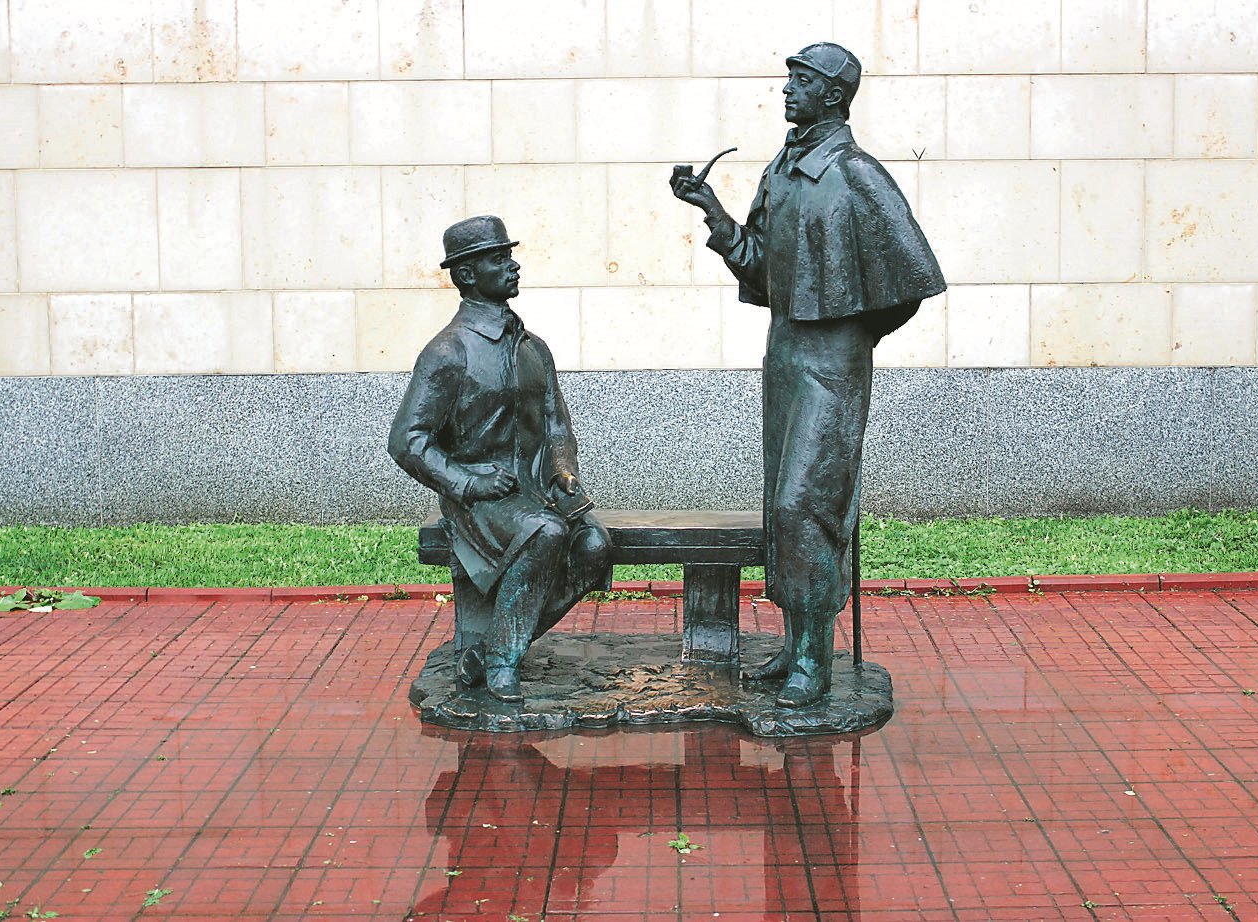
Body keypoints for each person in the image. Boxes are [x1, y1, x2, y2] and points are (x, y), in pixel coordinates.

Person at [671, 42, 945, 707]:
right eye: (788, 79)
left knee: (807, 506)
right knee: (783, 509)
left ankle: (814, 662)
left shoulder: (856, 173)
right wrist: (711, 210)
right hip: (785, 353)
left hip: (832, 364)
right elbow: (761, 267)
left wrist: (854, 334)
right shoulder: (783, 169)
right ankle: (798, 647)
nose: (787, 90)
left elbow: (911, 277)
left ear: (833, 94)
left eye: (800, 80)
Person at [388, 215, 612, 704]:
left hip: (536, 490)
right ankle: (503, 663)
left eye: (509, 256)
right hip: (480, 497)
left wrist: (564, 470)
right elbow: (407, 440)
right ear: (467, 274)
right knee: (545, 532)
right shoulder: (448, 351)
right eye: (499, 259)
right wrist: (468, 483)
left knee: (595, 545)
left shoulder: (534, 348)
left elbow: (556, 423)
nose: (513, 267)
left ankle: (489, 647)